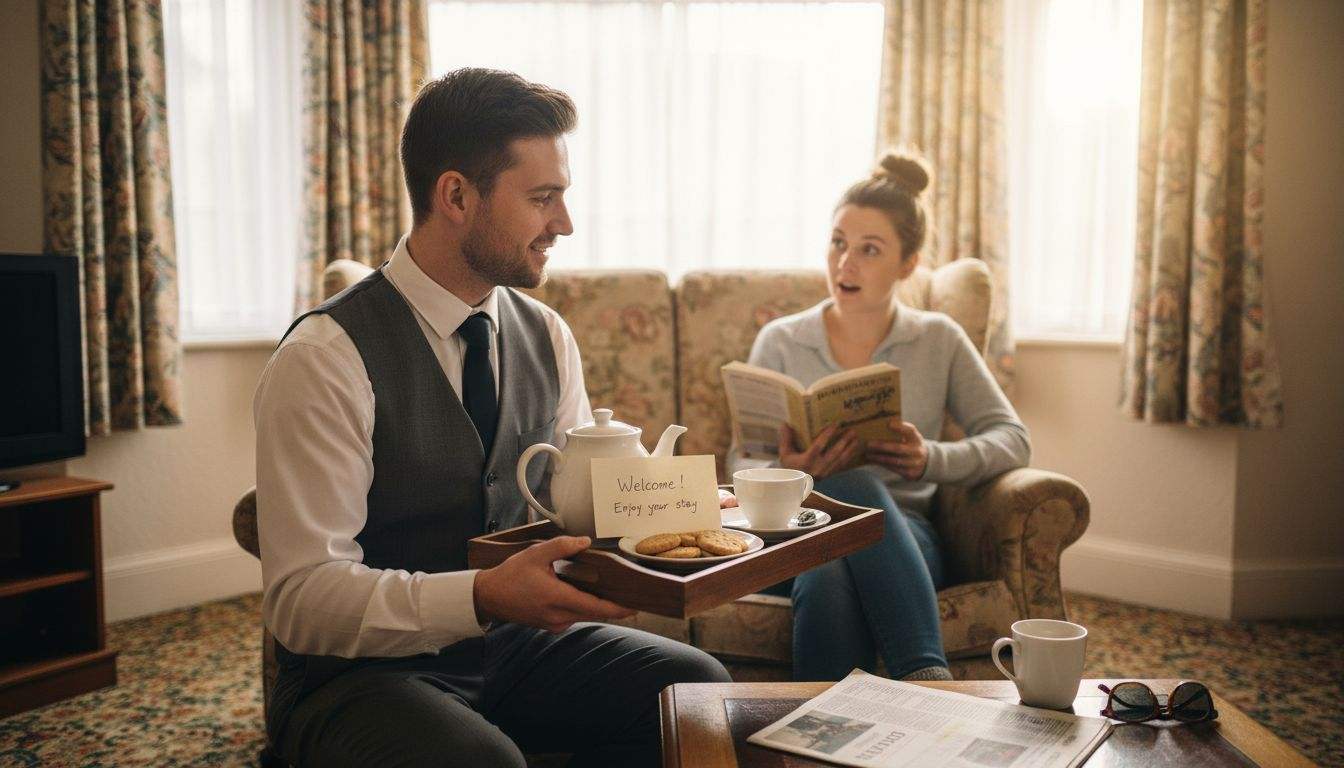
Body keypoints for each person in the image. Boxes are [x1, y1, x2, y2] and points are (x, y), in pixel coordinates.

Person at [253, 68, 730, 767]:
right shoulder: (326, 357)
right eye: (543, 199)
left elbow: (577, 513)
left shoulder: (547, 335)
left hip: (516, 646)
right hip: (358, 676)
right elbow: (301, 600)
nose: (564, 224)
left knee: (698, 694)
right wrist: (477, 596)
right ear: (455, 195)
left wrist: (683, 511)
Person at [725, 150, 1031, 683]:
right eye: (839, 242)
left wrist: (926, 459)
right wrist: (795, 470)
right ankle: (928, 682)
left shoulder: (937, 338)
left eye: (869, 249)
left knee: (841, 529)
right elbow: (740, 461)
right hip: (791, 530)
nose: (846, 263)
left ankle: (818, 740)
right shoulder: (780, 340)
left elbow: (1012, 440)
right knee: (827, 534)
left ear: (907, 264)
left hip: (903, 539)